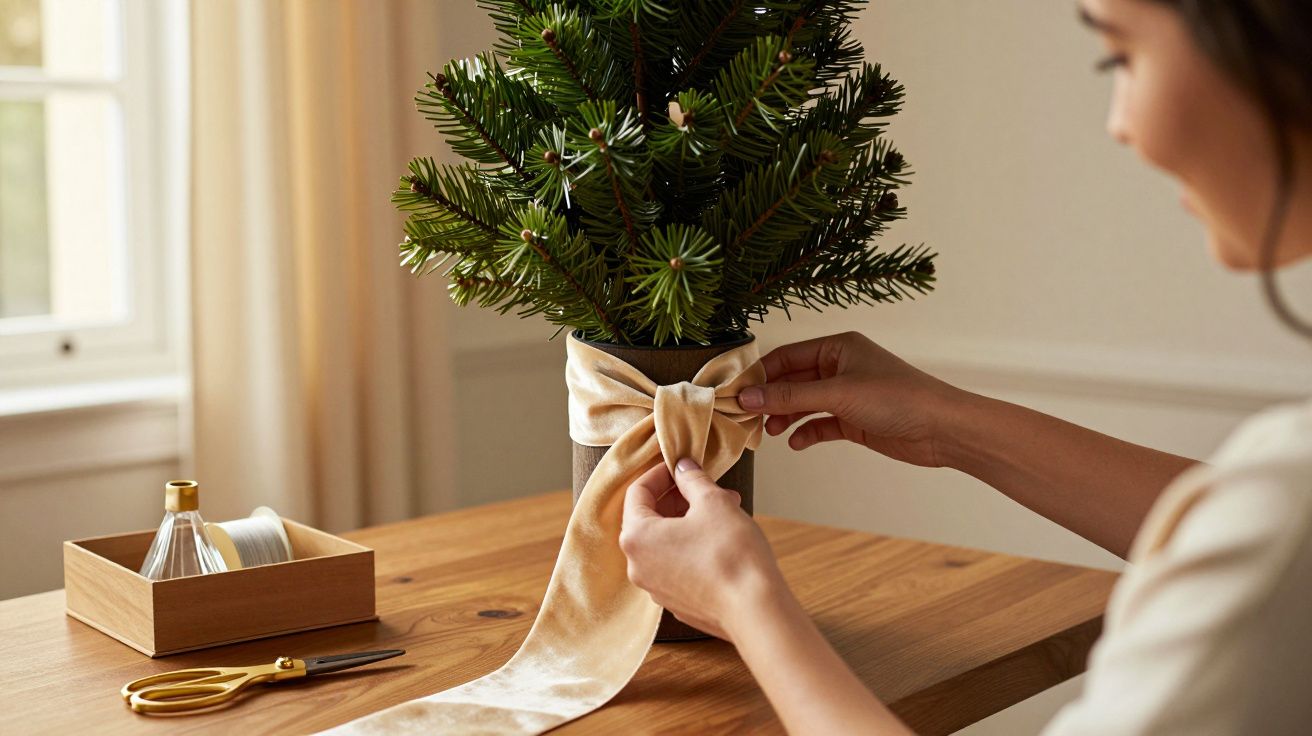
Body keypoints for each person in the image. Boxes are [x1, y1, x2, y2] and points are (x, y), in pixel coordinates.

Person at [619, 1, 1312, 733]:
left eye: (1122, 57)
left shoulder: (1283, 511)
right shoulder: (1279, 504)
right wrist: (951, 426)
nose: (1121, 124)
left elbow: (1274, 535)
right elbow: (1253, 530)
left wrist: (744, 599)